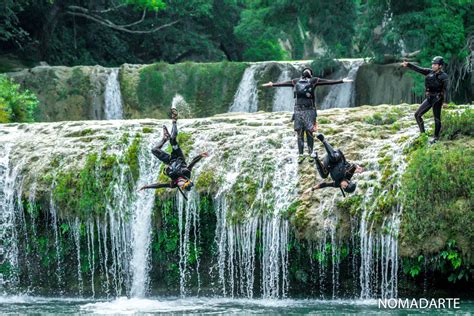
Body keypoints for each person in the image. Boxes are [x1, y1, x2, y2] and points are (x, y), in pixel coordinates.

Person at [262, 67, 352, 163]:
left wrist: (342, 81)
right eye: (306, 70)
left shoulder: (314, 80)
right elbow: (284, 84)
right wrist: (272, 84)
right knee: (299, 133)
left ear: (311, 74)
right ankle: (301, 155)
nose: (307, 71)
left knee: (309, 133)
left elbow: (328, 82)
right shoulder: (295, 81)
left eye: (309, 70)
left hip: (309, 110)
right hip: (298, 110)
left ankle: (310, 153)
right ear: (303, 73)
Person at [139, 105, 208, 197]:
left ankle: (164, 138)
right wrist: (200, 155)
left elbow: (159, 185)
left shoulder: (173, 184)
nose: (181, 185)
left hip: (170, 160)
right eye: (184, 184)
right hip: (178, 156)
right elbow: (192, 163)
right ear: (186, 181)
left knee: (154, 150)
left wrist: (146, 186)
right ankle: (174, 120)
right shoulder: (186, 173)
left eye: (182, 187)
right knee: (173, 140)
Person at [401, 56, 449, 144]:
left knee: (437, 118)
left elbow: (446, 89)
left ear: (440, 66)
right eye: (433, 64)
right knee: (417, 115)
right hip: (429, 98)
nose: (433, 66)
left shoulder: (444, 76)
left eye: (435, 64)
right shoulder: (428, 72)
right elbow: (418, 69)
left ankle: (436, 138)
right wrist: (408, 64)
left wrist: (445, 101)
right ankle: (423, 134)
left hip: (438, 99)